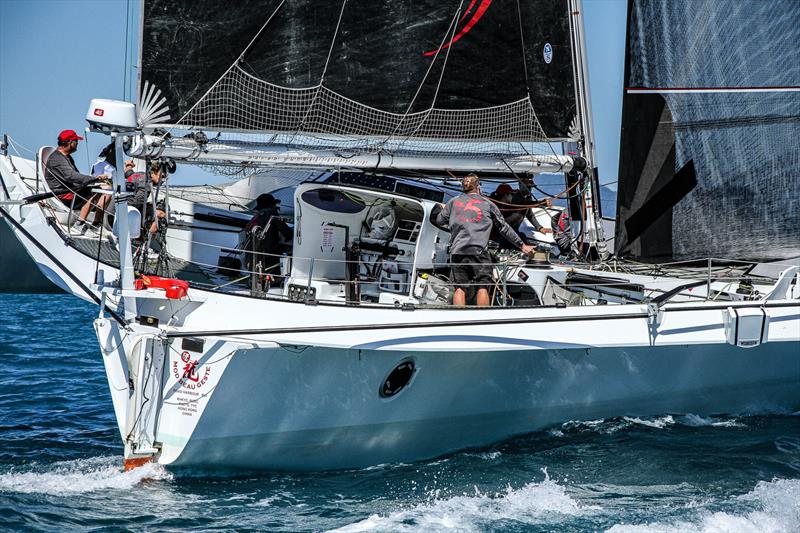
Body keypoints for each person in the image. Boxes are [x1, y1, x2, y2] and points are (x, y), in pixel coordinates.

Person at [436, 173, 534, 307]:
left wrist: (442, 210)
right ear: (478, 188)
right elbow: (504, 228)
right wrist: (522, 245)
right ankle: (482, 318)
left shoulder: (453, 202)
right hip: (479, 252)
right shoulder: (488, 204)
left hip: (457, 251)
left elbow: (439, 220)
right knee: (483, 287)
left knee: (460, 288)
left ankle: (459, 319)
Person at [44, 129, 111, 232]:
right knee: (97, 190)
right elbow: (71, 176)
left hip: (71, 189)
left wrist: (96, 181)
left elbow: (76, 177)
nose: (77, 144)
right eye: (76, 141)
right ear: (70, 143)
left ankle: (96, 223)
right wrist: (94, 179)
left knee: (107, 189)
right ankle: (79, 223)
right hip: (63, 194)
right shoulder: (57, 159)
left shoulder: (67, 157)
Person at [244, 193, 292, 284]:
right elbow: (287, 233)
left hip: (252, 258)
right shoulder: (272, 214)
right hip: (268, 258)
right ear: (271, 205)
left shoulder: (256, 217)